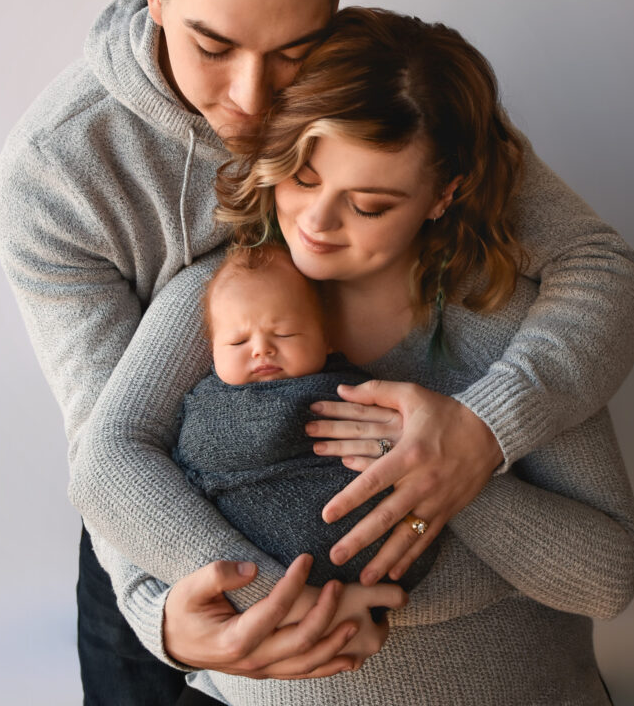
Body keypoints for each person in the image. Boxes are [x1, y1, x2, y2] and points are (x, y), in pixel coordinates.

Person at [0, 0, 634, 701]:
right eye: (214, 45)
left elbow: (604, 272)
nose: (255, 99)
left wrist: (480, 435)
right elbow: (111, 446)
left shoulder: (372, 103)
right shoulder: (58, 173)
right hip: (186, 499)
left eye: (295, 52)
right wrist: (163, 615)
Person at [72, 9, 634, 703]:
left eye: (370, 204)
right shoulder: (226, 301)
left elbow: (608, 577)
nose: (315, 224)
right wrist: (279, 600)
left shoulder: (504, 325)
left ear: (445, 194)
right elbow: (106, 462)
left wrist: (445, 477)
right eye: (303, 176)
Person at [176, 243, 438, 588]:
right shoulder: (210, 403)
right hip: (265, 573)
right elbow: (197, 453)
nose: (261, 349)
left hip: (392, 559)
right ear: (212, 352)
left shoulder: (354, 386)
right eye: (238, 342)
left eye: (284, 333)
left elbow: (411, 448)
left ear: (327, 338)